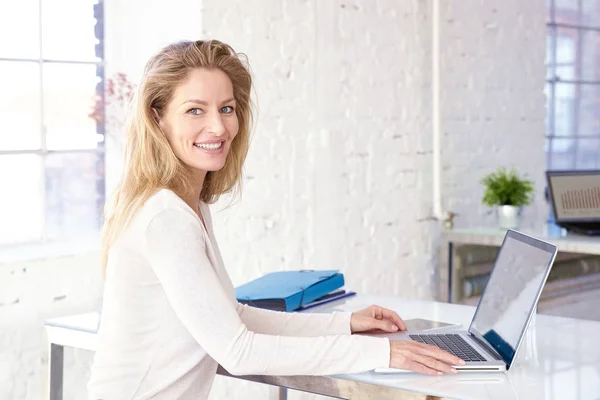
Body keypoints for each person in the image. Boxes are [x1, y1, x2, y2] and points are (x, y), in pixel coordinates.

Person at [87, 39, 464, 400]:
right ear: (158, 117)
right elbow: (239, 351)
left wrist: (346, 324)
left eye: (227, 108)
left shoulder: (189, 205)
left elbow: (233, 318)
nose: (218, 127)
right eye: (195, 110)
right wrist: (383, 355)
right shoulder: (166, 218)